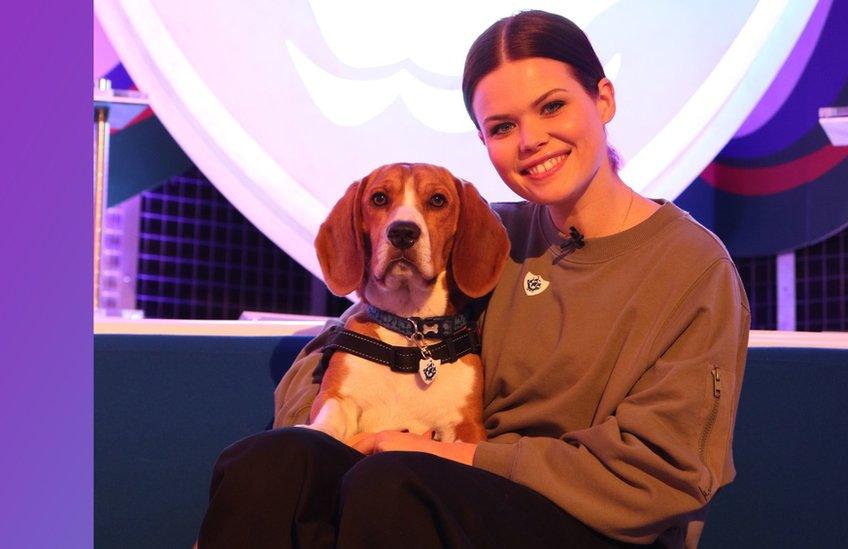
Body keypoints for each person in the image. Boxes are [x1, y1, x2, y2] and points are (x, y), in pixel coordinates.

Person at [198, 10, 749, 548]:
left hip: (589, 521)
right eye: (502, 126)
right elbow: (345, 342)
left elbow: (667, 474)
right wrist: (329, 431)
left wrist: (456, 455)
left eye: (552, 106)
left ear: (603, 99)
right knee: (267, 463)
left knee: (392, 487)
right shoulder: (489, 238)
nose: (530, 140)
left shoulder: (693, 267)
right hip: (449, 489)